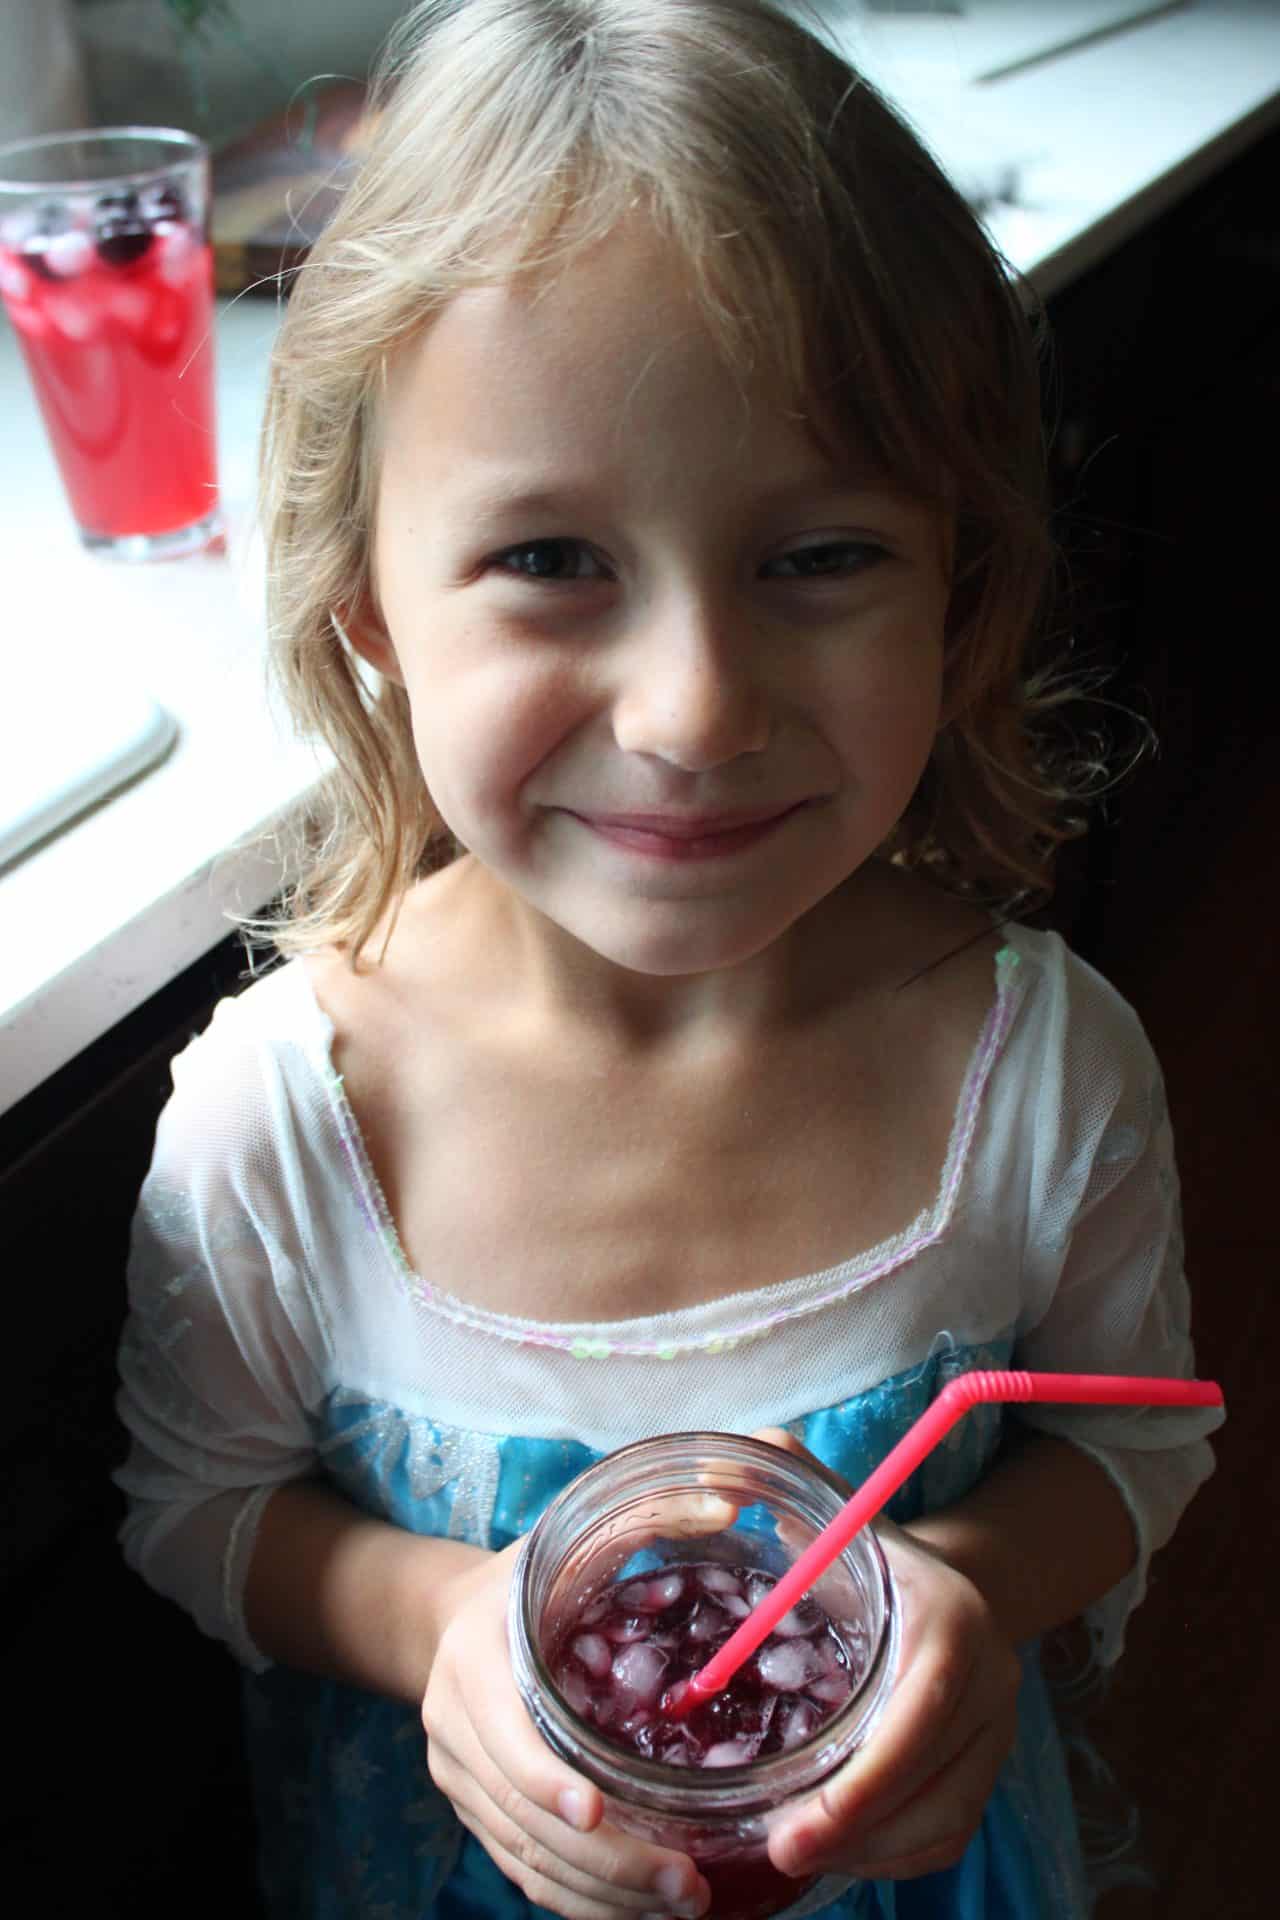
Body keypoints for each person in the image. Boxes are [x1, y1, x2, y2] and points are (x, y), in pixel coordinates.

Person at [114, 3, 1222, 1916]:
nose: (697, 711)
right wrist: (440, 1617)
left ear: (956, 582)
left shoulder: (1043, 1075)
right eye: (552, 559)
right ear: (368, 592)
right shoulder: (288, 1122)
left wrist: (963, 1587)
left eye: (818, 559)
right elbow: (197, 1510)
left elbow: (1144, 1451)